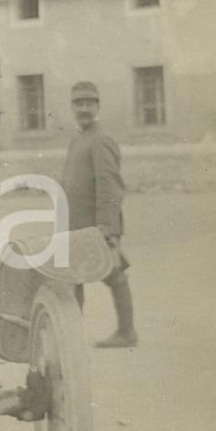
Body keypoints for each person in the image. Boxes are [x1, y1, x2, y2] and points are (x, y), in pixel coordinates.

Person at [60, 81, 138, 348]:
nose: (84, 108)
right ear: (72, 107)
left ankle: (127, 332)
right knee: (73, 278)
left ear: (97, 106)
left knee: (113, 274)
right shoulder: (78, 138)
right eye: (79, 103)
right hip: (77, 226)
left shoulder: (101, 138)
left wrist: (106, 226)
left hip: (97, 226)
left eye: (89, 103)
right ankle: (72, 336)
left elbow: (110, 184)